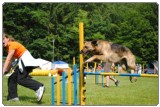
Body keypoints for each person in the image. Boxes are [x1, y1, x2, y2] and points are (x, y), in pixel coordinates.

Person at [2, 34, 45, 102]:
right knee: (12, 78)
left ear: (7, 38)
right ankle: (13, 97)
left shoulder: (12, 44)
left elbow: (8, 60)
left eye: (3, 39)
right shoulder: (8, 48)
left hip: (26, 61)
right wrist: (6, 70)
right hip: (22, 61)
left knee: (21, 79)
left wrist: (3, 71)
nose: (2, 41)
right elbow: (12, 61)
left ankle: (38, 87)